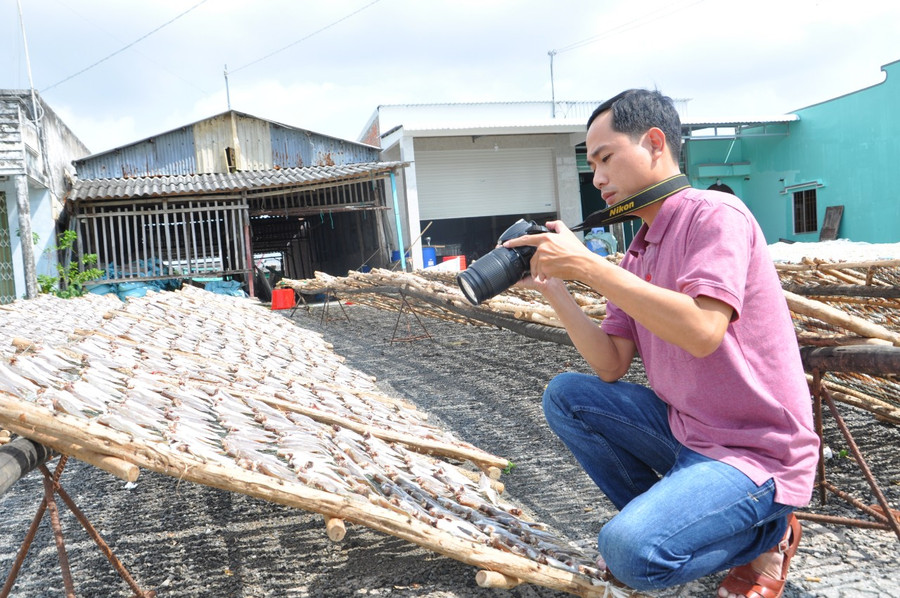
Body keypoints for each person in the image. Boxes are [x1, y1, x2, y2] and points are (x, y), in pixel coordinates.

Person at [503, 89, 819, 598]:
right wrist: (555, 287)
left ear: (654, 143)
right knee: (566, 395)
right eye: (592, 164)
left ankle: (769, 534)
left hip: (755, 450)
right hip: (688, 430)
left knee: (628, 552)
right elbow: (610, 365)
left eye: (606, 158)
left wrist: (589, 266)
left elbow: (702, 331)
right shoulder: (637, 253)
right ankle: (687, 519)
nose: (597, 177)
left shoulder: (716, 215)